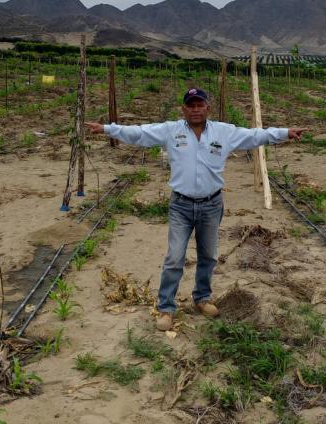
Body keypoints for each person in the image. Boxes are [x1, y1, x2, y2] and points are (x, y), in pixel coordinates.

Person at [86, 87, 308, 331]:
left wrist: (285, 133)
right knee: (174, 257)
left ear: (207, 108)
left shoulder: (224, 132)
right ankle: (166, 308)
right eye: (190, 105)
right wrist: (107, 129)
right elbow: (140, 133)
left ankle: (202, 298)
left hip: (211, 204)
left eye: (199, 105)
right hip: (180, 205)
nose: (195, 109)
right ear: (184, 109)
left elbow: (256, 136)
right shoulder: (172, 131)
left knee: (208, 255)